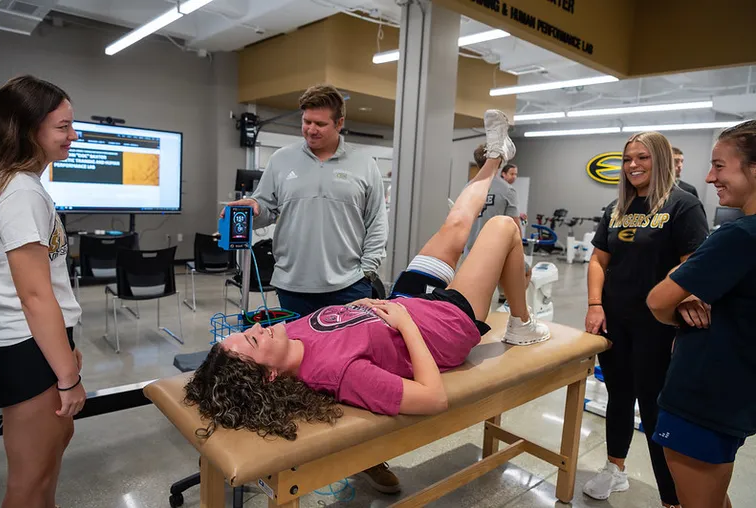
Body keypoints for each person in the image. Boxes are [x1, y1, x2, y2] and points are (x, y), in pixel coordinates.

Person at [186, 110, 550, 494]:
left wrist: (373, 310)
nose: (259, 328)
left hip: (405, 300)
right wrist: (406, 325)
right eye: (256, 341)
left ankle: (496, 155)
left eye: (250, 332)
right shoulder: (338, 373)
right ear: (271, 375)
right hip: (444, 323)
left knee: (457, 223)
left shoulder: (288, 335)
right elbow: (433, 399)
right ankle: (521, 323)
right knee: (502, 227)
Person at [583, 131, 709, 507]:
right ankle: (615, 469)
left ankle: (671, 498)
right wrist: (594, 304)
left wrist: (681, 308)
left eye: (642, 158)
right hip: (614, 320)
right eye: (627, 159)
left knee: (654, 408)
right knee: (618, 396)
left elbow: (695, 267)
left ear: (660, 160)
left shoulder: (683, 205)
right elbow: (598, 260)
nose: (633, 165)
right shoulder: (617, 208)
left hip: (658, 326)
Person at [647, 120, 756, 508]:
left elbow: (659, 300)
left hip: (703, 397)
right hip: (737, 391)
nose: (710, 177)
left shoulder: (739, 235)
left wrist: (680, 304)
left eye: (720, 166)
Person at [0, 76, 85, 508]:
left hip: (38, 344)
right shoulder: (19, 191)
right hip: (28, 348)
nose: (73, 135)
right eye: (63, 127)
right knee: (29, 482)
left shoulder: (18, 184)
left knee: (47, 464)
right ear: (30, 130)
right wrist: (68, 377)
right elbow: (34, 296)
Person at [225, 84, 388, 317]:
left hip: (349, 285)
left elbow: (377, 222)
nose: (311, 129)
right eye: (306, 122)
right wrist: (255, 209)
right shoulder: (281, 159)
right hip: (292, 286)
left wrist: (367, 272)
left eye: (320, 124)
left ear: (339, 123)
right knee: (297, 352)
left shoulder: (364, 164)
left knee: (345, 353)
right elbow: (267, 211)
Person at [462, 148, 527, 305]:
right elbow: (514, 226)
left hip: (470, 251)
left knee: (474, 296)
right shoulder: (507, 190)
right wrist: (520, 256)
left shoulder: (468, 187)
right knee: (526, 271)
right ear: (498, 162)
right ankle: (513, 309)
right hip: (496, 252)